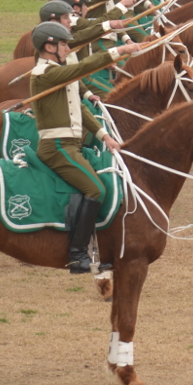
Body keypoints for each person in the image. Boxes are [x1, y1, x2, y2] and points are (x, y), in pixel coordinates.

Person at [28, 22, 141, 273]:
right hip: (56, 146)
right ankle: (77, 254)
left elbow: (79, 108)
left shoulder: (61, 72)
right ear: (49, 46)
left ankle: (92, 248)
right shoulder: (43, 74)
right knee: (95, 189)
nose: (68, 48)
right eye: (64, 44)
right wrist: (118, 51)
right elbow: (83, 67)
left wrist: (104, 136)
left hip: (72, 144)